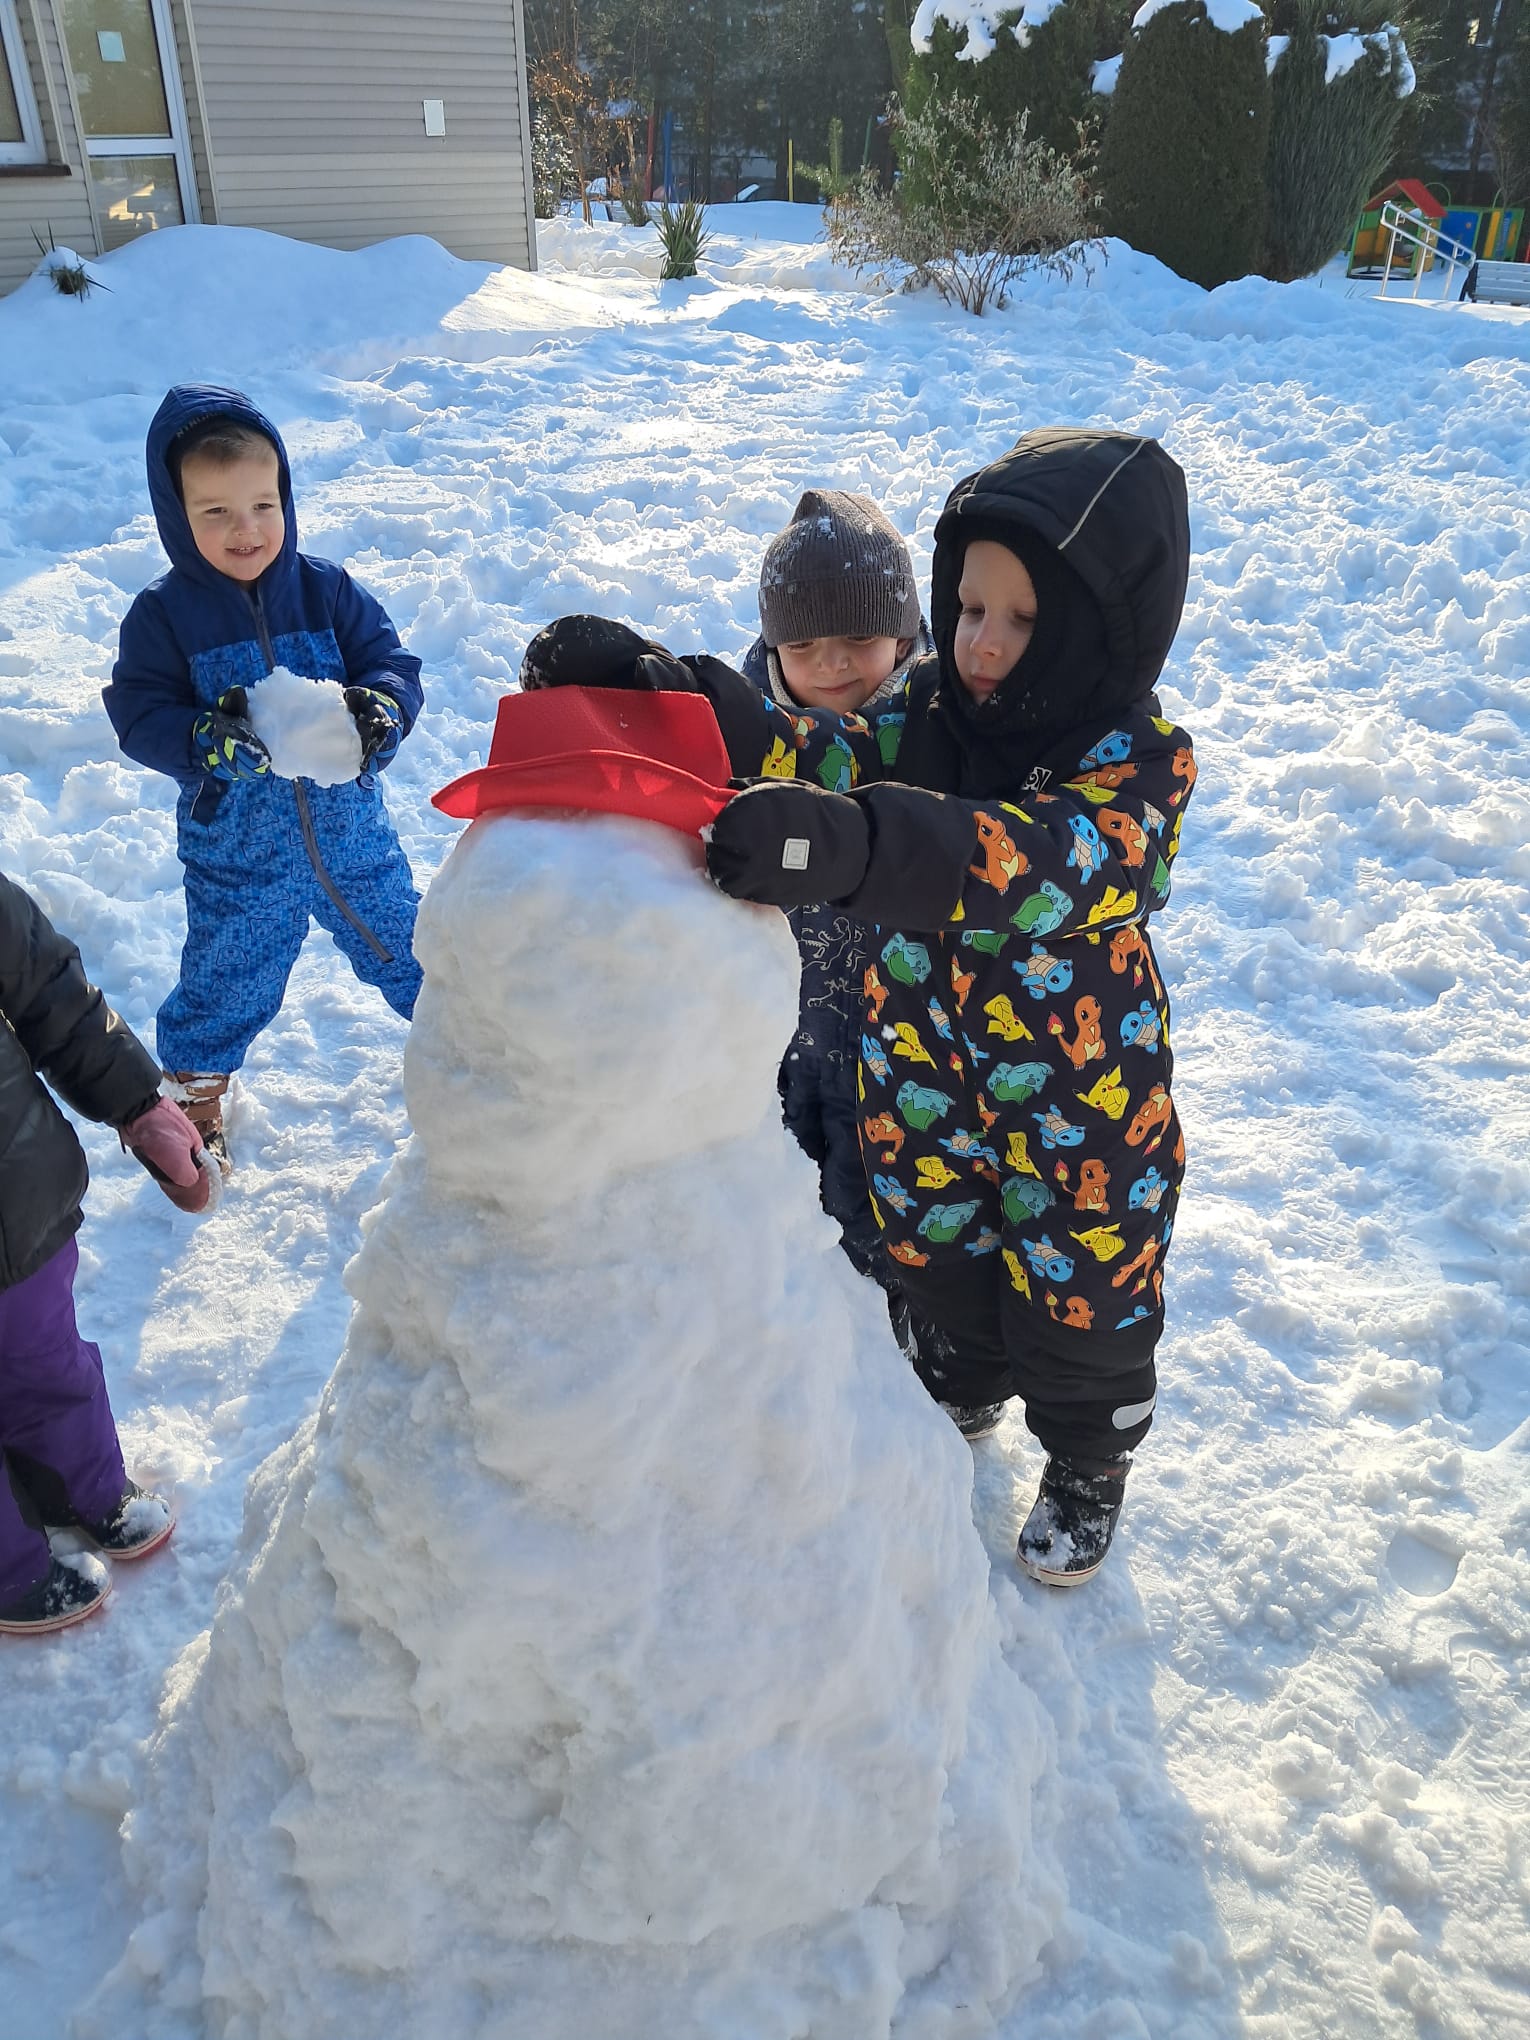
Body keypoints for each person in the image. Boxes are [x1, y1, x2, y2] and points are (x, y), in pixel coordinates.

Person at [522, 427, 1195, 1587]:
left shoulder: (1137, 765)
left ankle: (1088, 1461)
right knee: (940, 1261)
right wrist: (679, 695)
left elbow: (1035, 863)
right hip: (922, 1077)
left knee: (1083, 1299)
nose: (983, 641)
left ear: (1104, 626)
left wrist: (861, 844)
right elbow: (814, 746)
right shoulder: (925, 709)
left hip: (1083, 1111)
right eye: (969, 606)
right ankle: (964, 1381)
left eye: (1023, 618)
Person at [103, 386, 425, 1171]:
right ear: (177, 515)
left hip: (353, 836)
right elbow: (138, 712)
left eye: (262, 505)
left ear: (286, 498)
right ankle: (195, 1092)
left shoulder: (325, 590)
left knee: (414, 948)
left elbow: (390, 661)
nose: (245, 531)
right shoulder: (164, 616)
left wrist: (381, 708)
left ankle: (475, 1044)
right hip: (238, 853)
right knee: (226, 975)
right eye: (215, 512)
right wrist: (202, 740)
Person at [0, 872, 213, 1636]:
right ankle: (8, 1564)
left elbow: (49, 991)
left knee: (45, 1358)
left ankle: (78, 1487)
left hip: (15, 1190)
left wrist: (137, 1104)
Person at [739, 490, 929, 1284]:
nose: (831, 663)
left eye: (859, 637)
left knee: (890, 1237)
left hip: (903, 1067)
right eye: (803, 642)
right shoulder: (746, 737)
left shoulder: (937, 732)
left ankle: (905, 1347)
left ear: (905, 633)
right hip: (783, 1051)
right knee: (785, 1225)